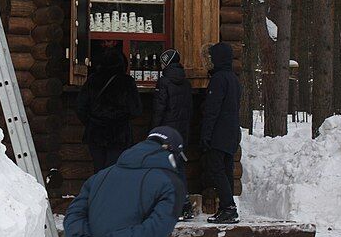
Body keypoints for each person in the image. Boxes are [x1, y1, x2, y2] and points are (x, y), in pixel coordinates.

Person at [64, 127, 187, 237]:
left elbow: (74, 214)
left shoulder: (100, 176)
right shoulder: (170, 182)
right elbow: (154, 230)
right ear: (172, 154)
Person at [77, 47, 142, 172]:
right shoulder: (127, 82)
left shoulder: (92, 80)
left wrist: (92, 121)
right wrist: (121, 119)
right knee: (114, 171)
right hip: (118, 134)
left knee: (99, 169)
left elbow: (80, 107)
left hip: (95, 133)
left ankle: (98, 191)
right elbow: (136, 110)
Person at [201, 42, 242, 224]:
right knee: (225, 171)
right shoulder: (233, 79)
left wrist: (206, 134)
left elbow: (212, 109)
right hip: (231, 132)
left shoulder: (218, 79)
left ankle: (228, 207)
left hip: (219, 132)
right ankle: (227, 207)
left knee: (217, 170)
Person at [152, 48, 194, 220]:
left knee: (164, 168)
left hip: (165, 132)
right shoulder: (186, 83)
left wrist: (154, 131)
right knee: (178, 166)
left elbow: (159, 109)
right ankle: (184, 203)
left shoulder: (164, 82)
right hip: (181, 131)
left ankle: (172, 205)